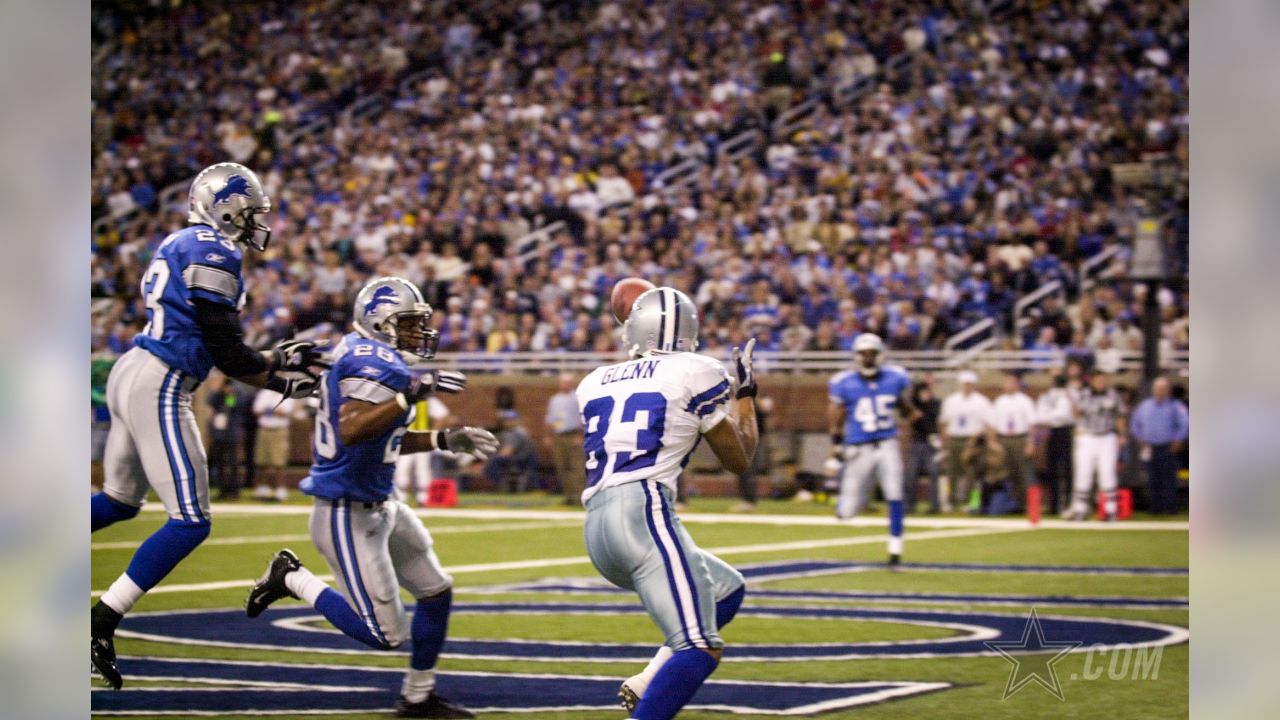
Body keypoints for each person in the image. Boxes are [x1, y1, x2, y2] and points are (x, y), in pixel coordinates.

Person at [90, 163, 329, 690]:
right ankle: (101, 620)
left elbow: (215, 342)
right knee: (191, 521)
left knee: (118, 503)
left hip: (138, 368)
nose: (255, 222)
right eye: (249, 211)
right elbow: (226, 352)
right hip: (162, 382)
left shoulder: (183, 241)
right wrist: (282, 380)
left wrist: (269, 359)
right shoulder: (216, 250)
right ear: (225, 208)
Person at [245, 276, 498, 718]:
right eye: (407, 323)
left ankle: (417, 696)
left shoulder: (369, 355)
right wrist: (409, 395)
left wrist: (441, 437)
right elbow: (352, 429)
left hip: (380, 502)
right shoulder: (373, 362)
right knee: (385, 634)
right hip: (345, 510)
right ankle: (291, 577)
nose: (418, 332)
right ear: (379, 322)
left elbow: (382, 438)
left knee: (436, 592)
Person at [576, 287, 755, 720]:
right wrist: (746, 392)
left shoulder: (593, 381)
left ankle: (649, 679)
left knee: (726, 589)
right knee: (699, 648)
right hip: (644, 513)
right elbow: (740, 459)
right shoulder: (698, 370)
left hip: (597, 526)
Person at [825, 333, 918, 565]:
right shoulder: (844, 382)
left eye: (872, 354)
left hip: (887, 444)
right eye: (864, 354)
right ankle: (857, 496)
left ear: (880, 355)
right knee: (846, 512)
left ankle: (895, 548)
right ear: (857, 356)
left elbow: (908, 409)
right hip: (858, 448)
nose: (868, 359)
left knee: (895, 493)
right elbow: (835, 418)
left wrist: (925, 426)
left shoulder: (895, 378)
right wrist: (836, 447)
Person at [1065, 371, 1127, 521]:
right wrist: (1072, 402)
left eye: (1102, 379)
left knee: (1107, 473)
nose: (1101, 382)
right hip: (1088, 437)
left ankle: (1110, 509)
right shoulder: (1084, 395)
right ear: (1092, 381)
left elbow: (1120, 415)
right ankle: (1080, 509)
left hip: (1107, 436)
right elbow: (1076, 415)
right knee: (1083, 473)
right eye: (1098, 379)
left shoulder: (1112, 395)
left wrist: (1122, 434)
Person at [1128, 377, 1189, 514]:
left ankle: (1169, 507)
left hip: (1169, 447)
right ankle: (1155, 508)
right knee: (1152, 478)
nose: (1160, 391)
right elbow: (1135, 423)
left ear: (1168, 390)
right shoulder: (1145, 406)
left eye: (1163, 388)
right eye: (1158, 388)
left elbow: (1184, 424)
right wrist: (1139, 438)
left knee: (1169, 479)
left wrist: (1179, 440)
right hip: (1150, 447)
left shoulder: (1175, 406)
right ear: (1153, 390)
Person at [939, 371, 994, 513]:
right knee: (951, 473)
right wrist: (945, 441)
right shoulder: (952, 400)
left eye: (969, 384)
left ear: (973, 385)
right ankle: (950, 501)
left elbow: (987, 424)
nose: (966, 386)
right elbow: (944, 422)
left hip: (973, 441)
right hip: (955, 439)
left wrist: (974, 440)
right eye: (964, 384)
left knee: (973, 475)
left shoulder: (981, 401)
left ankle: (973, 503)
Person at [990, 373, 1037, 512]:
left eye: (1012, 382)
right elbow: (993, 424)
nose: (1009, 385)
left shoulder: (1025, 401)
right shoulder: (999, 401)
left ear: (1017, 384)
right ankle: (1012, 504)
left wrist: (1030, 443)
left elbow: (1032, 424)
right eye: (1007, 382)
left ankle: (1031, 506)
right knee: (1006, 474)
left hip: (1020, 439)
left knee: (1025, 473)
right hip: (1003, 439)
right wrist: (993, 443)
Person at [395, 393, 452, 506]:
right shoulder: (402, 399)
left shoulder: (428, 400)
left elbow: (443, 415)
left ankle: (423, 499)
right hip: (406, 439)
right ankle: (401, 499)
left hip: (421, 440)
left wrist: (433, 431)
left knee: (422, 469)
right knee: (402, 469)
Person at [1033, 374, 1076, 514]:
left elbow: (1062, 414)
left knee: (1063, 469)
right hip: (1057, 431)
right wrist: (1052, 417)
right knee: (1057, 469)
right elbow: (1062, 415)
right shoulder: (1061, 395)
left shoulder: (1067, 395)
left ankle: (1060, 503)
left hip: (1054, 430)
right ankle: (1058, 503)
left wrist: (1048, 417)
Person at [252, 386, 302, 502]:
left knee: (279, 462)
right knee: (262, 460)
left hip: (279, 429)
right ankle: (263, 488)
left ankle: (281, 489)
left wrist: (269, 410)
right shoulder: (264, 393)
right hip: (264, 428)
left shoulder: (286, 394)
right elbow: (257, 410)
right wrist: (273, 411)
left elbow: (284, 412)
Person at [545, 373, 586, 505]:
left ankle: (579, 497)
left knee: (577, 467)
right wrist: (549, 436)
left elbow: (583, 417)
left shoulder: (577, 398)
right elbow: (550, 419)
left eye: (568, 382)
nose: (566, 385)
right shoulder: (555, 399)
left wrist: (580, 435)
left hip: (572, 434)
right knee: (562, 467)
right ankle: (569, 496)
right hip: (559, 435)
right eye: (564, 382)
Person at [903, 380, 942, 514]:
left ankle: (935, 505)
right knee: (911, 475)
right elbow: (909, 420)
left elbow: (930, 420)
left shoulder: (934, 404)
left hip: (929, 444)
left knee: (934, 473)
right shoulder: (913, 405)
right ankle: (910, 505)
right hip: (916, 443)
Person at [731, 395, 772, 513]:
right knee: (742, 469)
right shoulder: (739, 399)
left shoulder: (758, 400)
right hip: (741, 436)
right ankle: (746, 500)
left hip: (753, 438)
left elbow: (765, 410)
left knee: (749, 470)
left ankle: (749, 501)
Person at [486, 409, 538, 492]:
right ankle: (504, 485)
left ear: (517, 420)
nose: (507, 422)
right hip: (521, 459)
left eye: (510, 419)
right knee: (494, 459)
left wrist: (489, 459)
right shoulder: (514, 431)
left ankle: (503, 486)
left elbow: (507, 452)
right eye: (506, 419)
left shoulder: (517, 432)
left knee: (493, 461)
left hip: (522, 461)